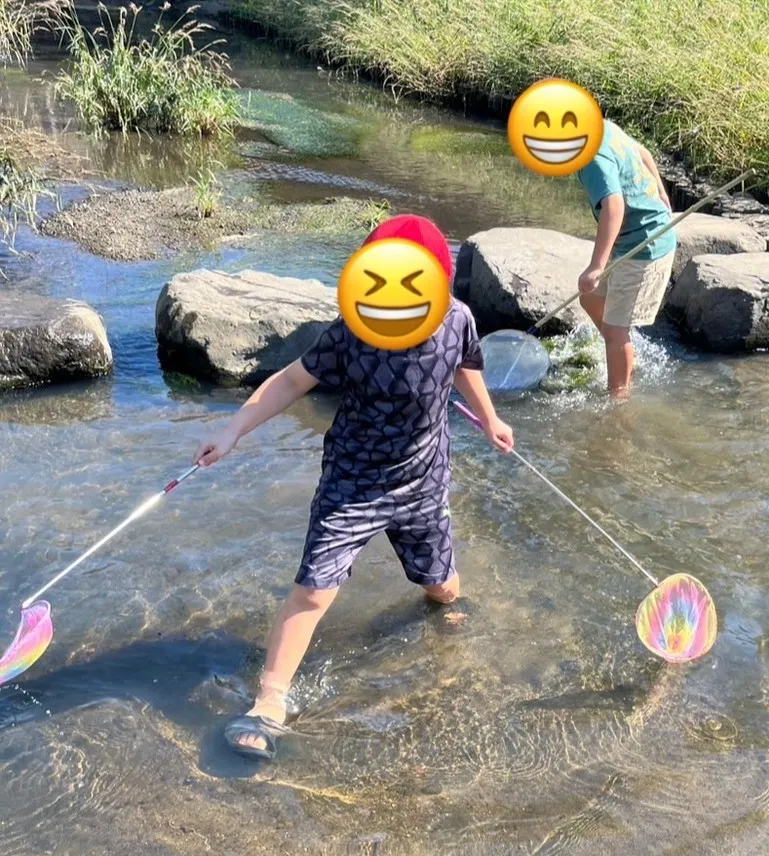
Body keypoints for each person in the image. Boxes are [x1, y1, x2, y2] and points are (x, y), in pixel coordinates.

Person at [192, 215, 514, 762]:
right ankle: (269, 701)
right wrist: (232, 430)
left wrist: (489, 418)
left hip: (423, 478)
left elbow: (466, 366)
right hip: (353, 482)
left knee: (444, 590)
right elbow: (293, 380)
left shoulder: (457, 320)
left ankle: (440, 610)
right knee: (314, 589)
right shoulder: (352, 332)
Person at [574, 119, 677, 397]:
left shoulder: (590, 157)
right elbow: (642, 152)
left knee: (615, 329)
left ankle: (618, 401)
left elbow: (614, 205)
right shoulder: (600, 126)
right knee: (591, 299)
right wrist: (661, 190)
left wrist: (596, 267)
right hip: (630, 240)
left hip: (644, 247)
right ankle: (623, 352)